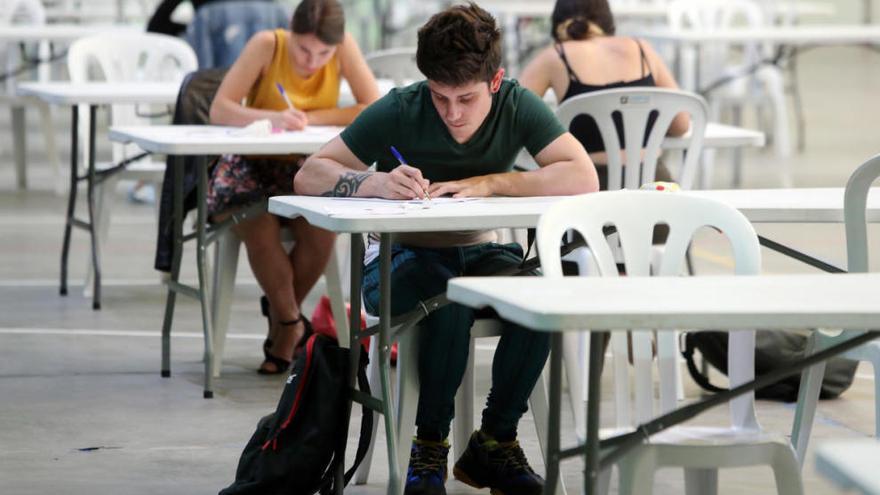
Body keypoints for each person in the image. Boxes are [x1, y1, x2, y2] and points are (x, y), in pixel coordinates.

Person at [294, 4, 598, 494]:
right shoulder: (402, 107)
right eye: (440, 97)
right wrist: (374, 182)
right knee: (448, 303)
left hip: (477, 254)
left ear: (495, 81)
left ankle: (493, 444)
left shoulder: (516, 104)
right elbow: (310, 173)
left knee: (542, 301)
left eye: (466, 98)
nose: (453, 113)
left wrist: (490, 183)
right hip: (396, 261)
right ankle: (429, 447)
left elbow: (582, 176)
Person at [208, 0, 379, 375]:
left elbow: (372, 106)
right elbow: (220, 109)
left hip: (305, 165)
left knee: (322, 232)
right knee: (259, 224)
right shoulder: (267, 44)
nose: (312, 61)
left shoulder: (344, 45)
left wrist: (313, 118)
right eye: (303, 49)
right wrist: (275, 118)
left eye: (324, 53)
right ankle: (288, 323)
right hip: (250, 166)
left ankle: (283, 317)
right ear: (290, 31)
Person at [519, 0, 690, 188]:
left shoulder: (553, 56)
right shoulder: (642, 50)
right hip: (653, 185)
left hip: (587, 189)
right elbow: (681, 125)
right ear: (608, 20)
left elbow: (510, 117)